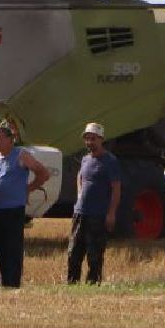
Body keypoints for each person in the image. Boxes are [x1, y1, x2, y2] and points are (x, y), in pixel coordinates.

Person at [0, 121, 49, 288]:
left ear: (11, 140)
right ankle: (4, 281)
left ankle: (13, 283)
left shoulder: (20, 155)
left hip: (13, 209)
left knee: (12, 247)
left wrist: (28, 189)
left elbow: (43, 173)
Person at [67, 122, 122, 284]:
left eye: (93, 139)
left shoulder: (110, 161)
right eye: (87, 139)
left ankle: (93, 284)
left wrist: (111, 213)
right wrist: (79, 194)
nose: (89, 142)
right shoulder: (85, 160)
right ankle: (72, 283)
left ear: (101, 139)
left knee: (94, 254)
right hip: (80, 213)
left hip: (98, 215)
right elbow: (80, 176)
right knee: (73, 252)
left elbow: (116, 189)